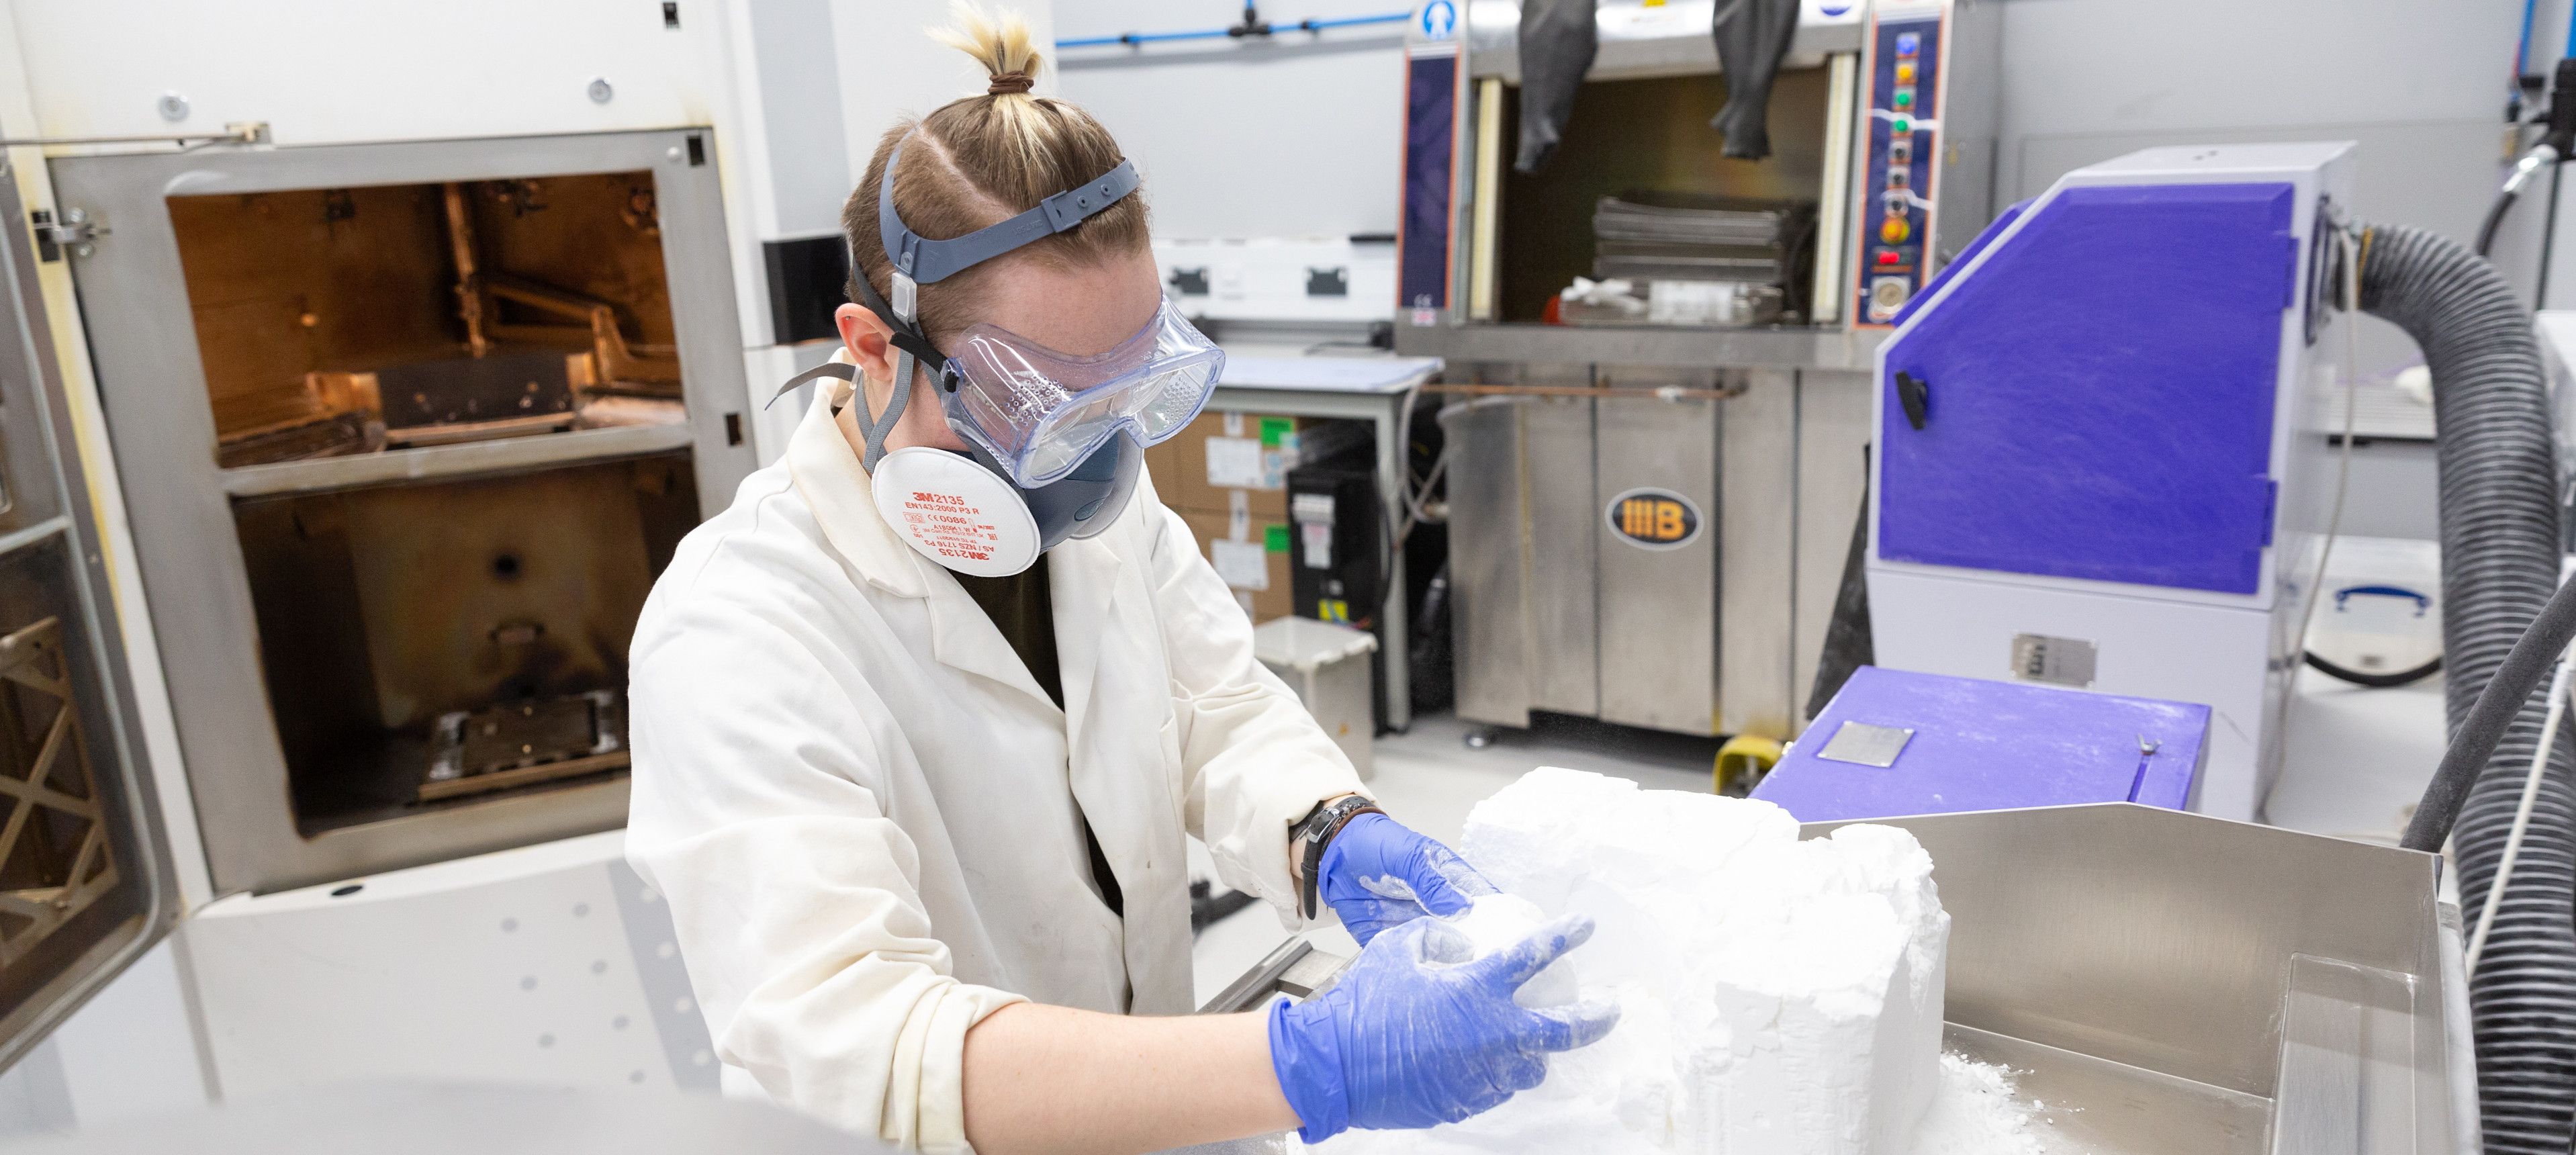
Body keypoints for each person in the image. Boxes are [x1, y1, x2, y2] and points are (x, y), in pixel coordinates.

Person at [623, 7, 1616, 1154]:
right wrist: (1307, 1063)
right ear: (874, 345)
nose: (1099, 457)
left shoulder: (1098, 505)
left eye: (1126, 389)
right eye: (1042, 407)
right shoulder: (739, 631)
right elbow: (865, 1038)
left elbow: (1211, 712)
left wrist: (1328, 828)